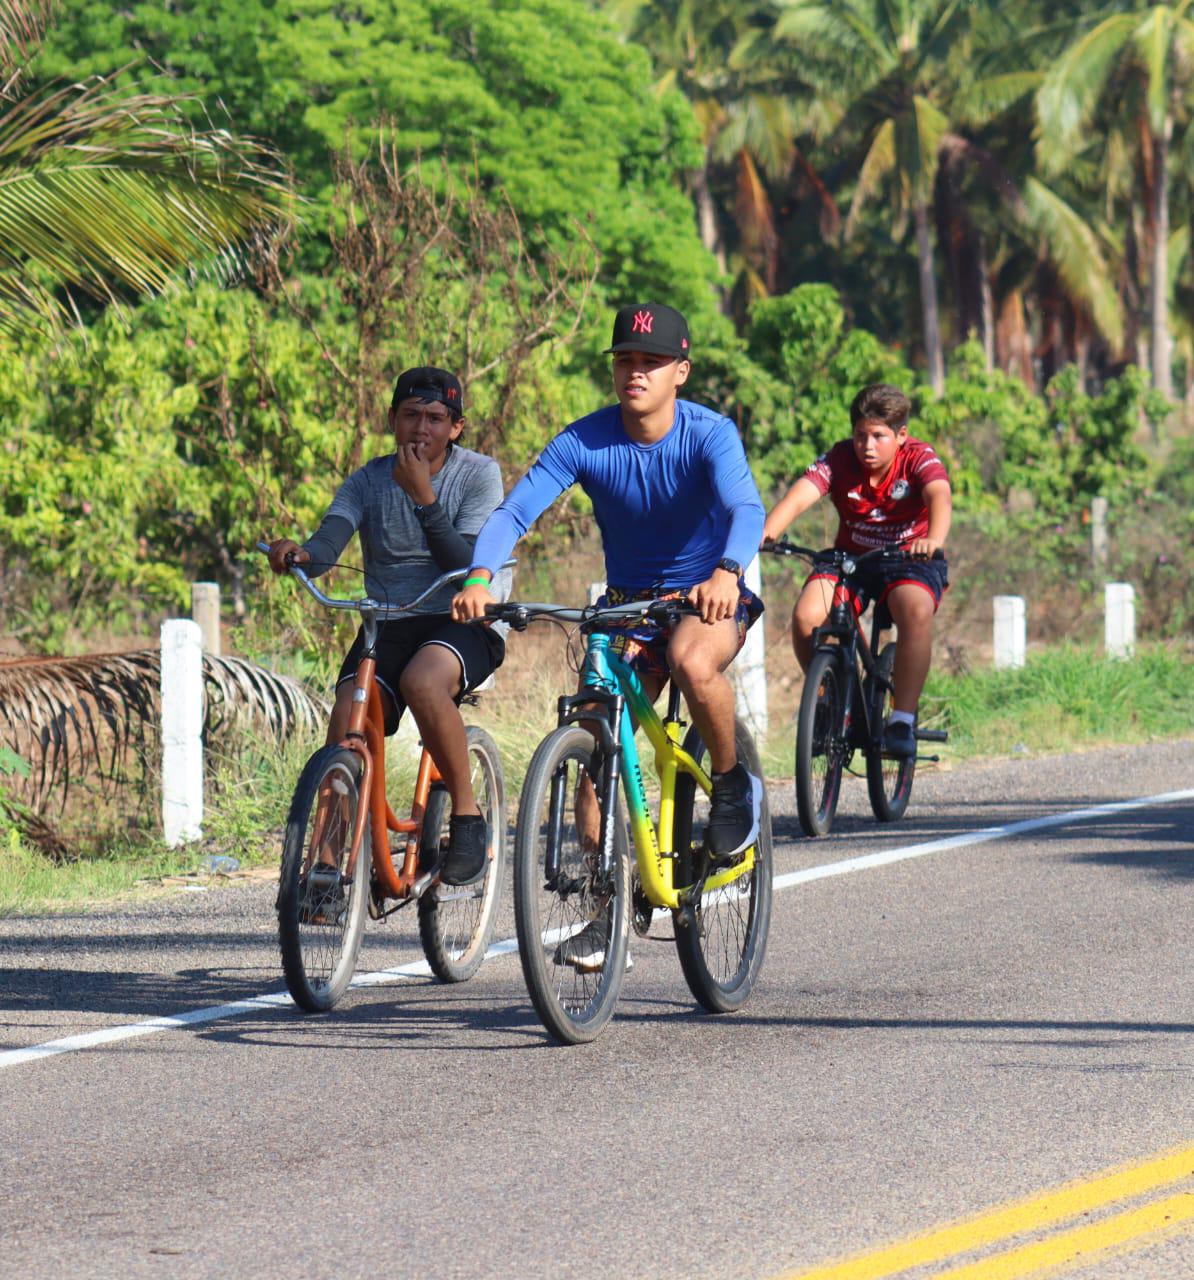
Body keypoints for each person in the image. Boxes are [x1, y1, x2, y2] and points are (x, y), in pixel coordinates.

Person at [452, 302, 766, 967]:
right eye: (625, 360)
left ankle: (734, 782)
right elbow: (516, 509)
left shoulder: (711, 434)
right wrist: (482, 575)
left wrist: (728, 571)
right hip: (626, 606)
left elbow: (746, 507)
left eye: (651, 362)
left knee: (689, 659)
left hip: (708, 596)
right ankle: (607, 909)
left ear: (680, 371)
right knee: (595, 738)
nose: (636, 372)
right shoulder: (585, 440)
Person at [267, 366, 506, 886]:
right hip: (390, 620)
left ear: (456, 428)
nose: (422, 428)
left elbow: (468, 563)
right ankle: (327, 864)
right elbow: (330, 540)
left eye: (436, 418)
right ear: (392, 419)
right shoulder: (368, 479)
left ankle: (467, 817)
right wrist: (302, 554)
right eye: (411, 415)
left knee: (424, 681)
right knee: (350, 707)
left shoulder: (478, 474)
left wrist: (424, 497)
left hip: (461, 617)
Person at [761, 382, 952, 757]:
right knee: (806, 616)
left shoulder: (919, 458)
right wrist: (767, 532)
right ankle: (829, 700)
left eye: (878, 436)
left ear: (901, 435)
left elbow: (939, 495)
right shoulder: (839, 459)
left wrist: (934, 538)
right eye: (860, 435)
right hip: (851, 561)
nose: (867, 445)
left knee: (913, 610)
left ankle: (902, 720)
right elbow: (802, 493)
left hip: (909, 560)